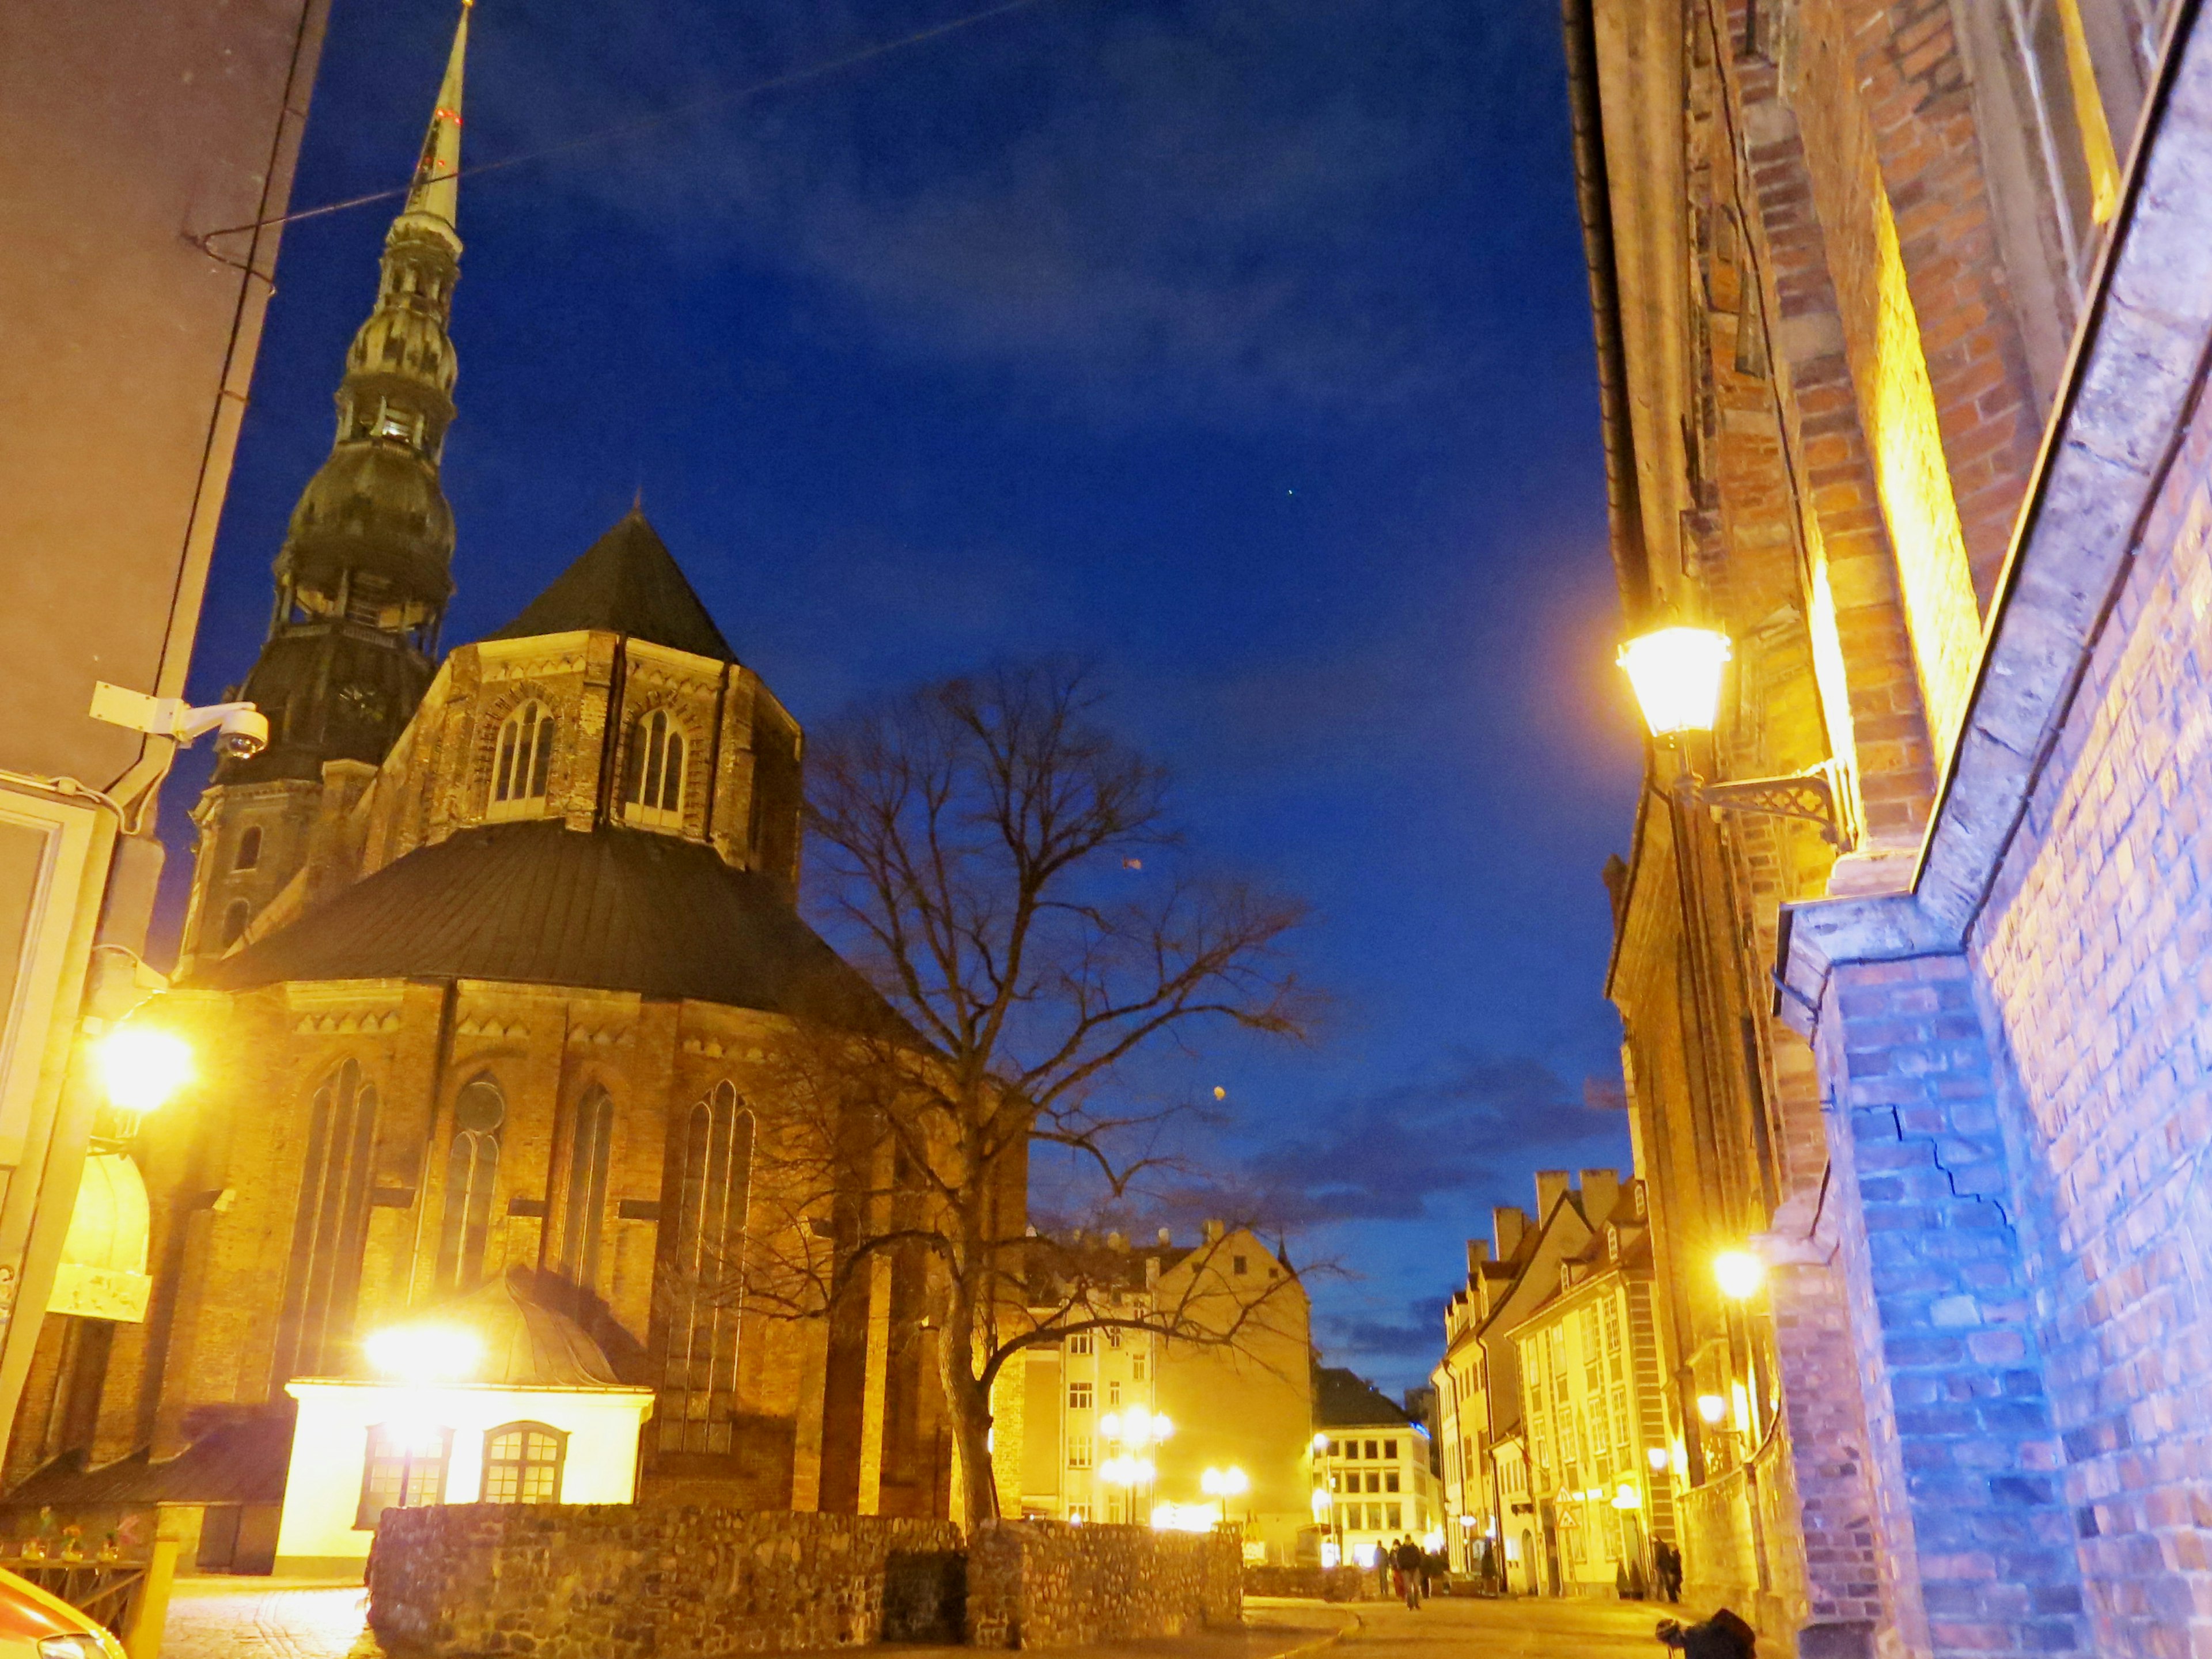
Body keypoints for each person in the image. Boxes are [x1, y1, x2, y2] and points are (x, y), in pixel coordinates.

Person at [1656, 1608, 1755, 1658]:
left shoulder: (1694, 1642)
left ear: (1674, 1638)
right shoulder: (1693, 1635)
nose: (1673, 1648)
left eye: (1669, 1644)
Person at [1392, 1536, 1422, 1609]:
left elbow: (1419, 1558)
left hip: (1414, 1568)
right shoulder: (1403, 1549)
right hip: (1406, 1569)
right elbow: (1399, 1559)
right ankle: (1410, 1604)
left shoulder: (1414, 1548)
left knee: (1416, 1587)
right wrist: (1401, 1567)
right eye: (1407, 1540)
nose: (1408, 1542)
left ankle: (1416, 1603)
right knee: (1408, 1588)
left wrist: (1418, 1565)